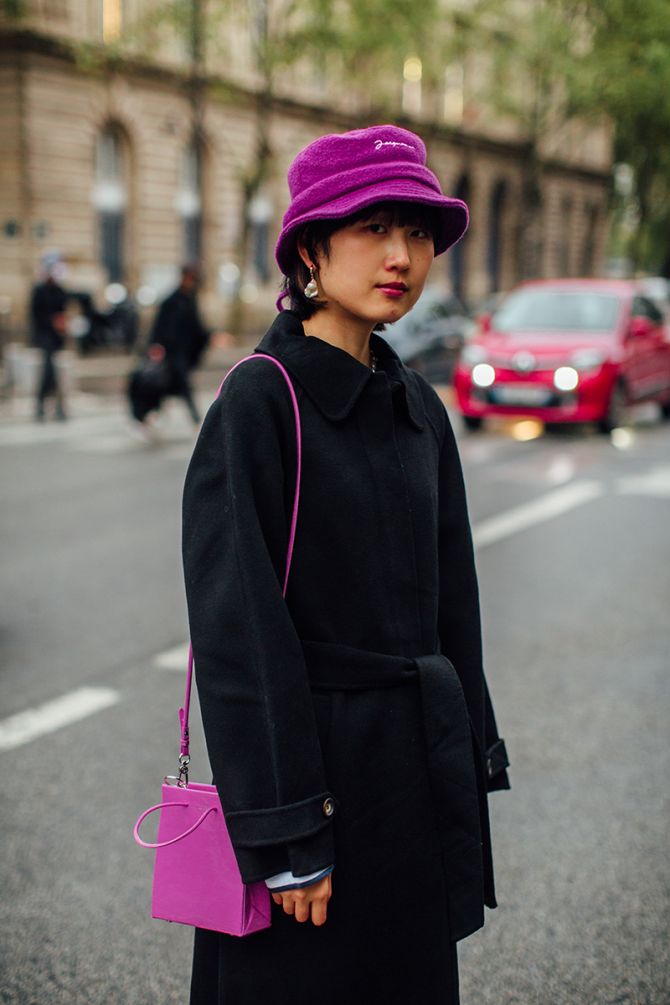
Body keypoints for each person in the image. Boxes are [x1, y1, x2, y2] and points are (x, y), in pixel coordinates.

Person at [182, 124, 510, 1005]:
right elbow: (240, 637)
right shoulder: (261, 399)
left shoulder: (415, 404)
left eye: (416, 231)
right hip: (315, 785)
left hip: (412, 781)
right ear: (308, 255)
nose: (401, 254)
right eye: (371, 227)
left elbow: (454, 610)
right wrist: (289, 836)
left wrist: (471, 755)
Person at [146, 263, 210, 424]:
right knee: (181, 384)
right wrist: (156, 345)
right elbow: (160, 325)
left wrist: (210, 336)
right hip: (171, 351)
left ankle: (154, 413)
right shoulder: (171, 300)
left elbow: (196, 326)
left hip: (183, 351)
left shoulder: (190, 299)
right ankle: (196, 419)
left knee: (169, 385)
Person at [30, 250, 68, 421]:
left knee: (53, 372)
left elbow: (63, 311)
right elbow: (35, 315)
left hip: (56, 337)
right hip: (44, 336)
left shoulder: (59, 290)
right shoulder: (39, 290)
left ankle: (50, 407)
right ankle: (54, 406)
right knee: (49, 371)